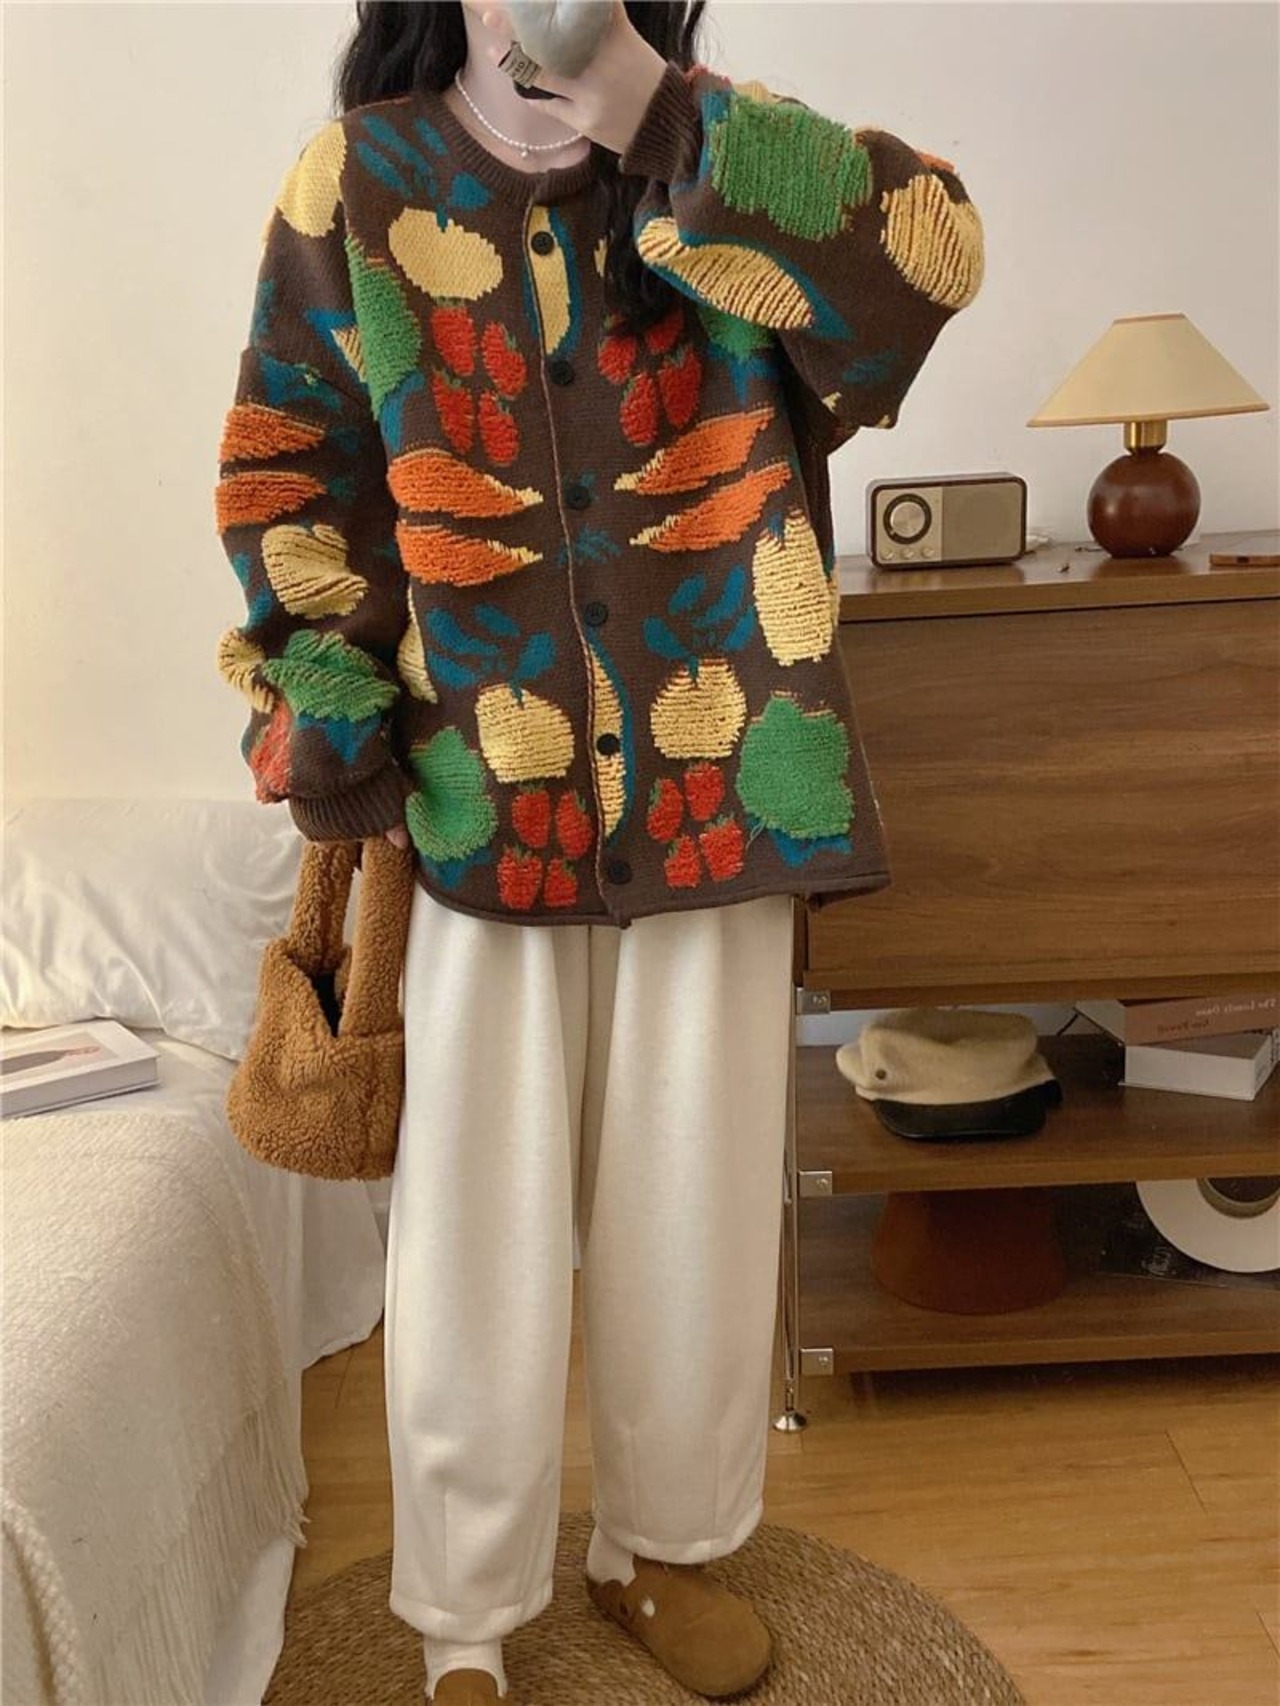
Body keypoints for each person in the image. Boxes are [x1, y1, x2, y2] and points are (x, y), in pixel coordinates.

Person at [213, 4, 984, 1699]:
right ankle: (464, 1618)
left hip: (724, 782)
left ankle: (664, 1547)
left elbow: (925, 265)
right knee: (472, 1235)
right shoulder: (361, 180)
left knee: (696, 1203)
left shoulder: (722, 146)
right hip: (480, 796)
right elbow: (291, 467)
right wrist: (325, 708)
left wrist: (657, 110)